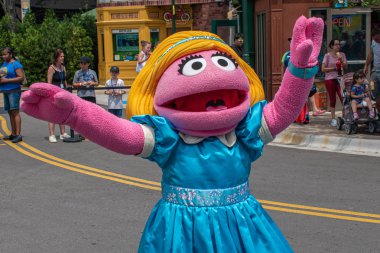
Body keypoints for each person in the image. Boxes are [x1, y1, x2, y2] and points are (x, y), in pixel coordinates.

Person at [22, 17, 324, 252]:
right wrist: (75, 113)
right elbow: (121, 135)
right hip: (181, 233)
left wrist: (300, 71)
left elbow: (283, 109)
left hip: (241, 229)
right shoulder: (169, 138)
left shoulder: (244, 131)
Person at [0, 47, 24, 143]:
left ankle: (18, 134)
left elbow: (21, 77)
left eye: (5, 54)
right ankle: (13, 134)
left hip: (13, 90)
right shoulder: (4, 64)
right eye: (2, 55)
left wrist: (7, 80)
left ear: (10, 54)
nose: (3, 56)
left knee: (15, 112)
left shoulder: (16, 64)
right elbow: (2, 75)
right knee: (10, 112)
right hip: (5, 90)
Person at [46, 49, 70, 143]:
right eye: (61, 56)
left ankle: (62, 133)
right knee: (53, 114)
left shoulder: (63, 68)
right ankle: (51, 134)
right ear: (56, 57)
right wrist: (50, 95)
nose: (63, 58)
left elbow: (64, 80)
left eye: (63, 56)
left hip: (63, 93)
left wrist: (67, 90)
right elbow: (49, 83)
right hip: (54, 94)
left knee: (62, 113)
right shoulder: (51, 68)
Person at [322, 39, 347, 126]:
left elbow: (345, 66)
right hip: (330, 79)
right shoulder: (327, 55)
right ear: (332, 46)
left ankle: (345, 117)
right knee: (332, 99)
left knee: (343, 98)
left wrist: (341, 59)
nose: (338, 46)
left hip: (340, 79)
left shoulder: (342, 54)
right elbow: (323, 69)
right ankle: (333, 118)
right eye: (336, 44)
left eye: (339, 44)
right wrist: (334, 68)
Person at [364, 28, 380, 113]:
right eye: (374, 39)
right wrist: (366, 65)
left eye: (377, 39)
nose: (376, 41)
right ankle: (377, 113)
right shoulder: (373, 42)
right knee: (373, 91)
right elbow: (371, 54)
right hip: (374, 72)